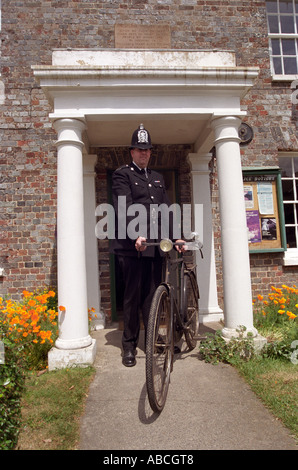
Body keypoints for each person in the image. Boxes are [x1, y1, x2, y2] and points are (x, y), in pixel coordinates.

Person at [111, 123, 185, 367]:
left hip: (154, 247)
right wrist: (136, 235)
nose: (143, 153)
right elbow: (124, 208)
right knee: (132, 297)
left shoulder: (156, 178)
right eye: (139, 149)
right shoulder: (123, 175)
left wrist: (176, 237)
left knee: (152, 296)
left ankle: (152, 340)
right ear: (131, 151)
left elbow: (165, 209)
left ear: (150, 152)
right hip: (133, 248)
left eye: (147, 150)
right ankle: (129, 346)